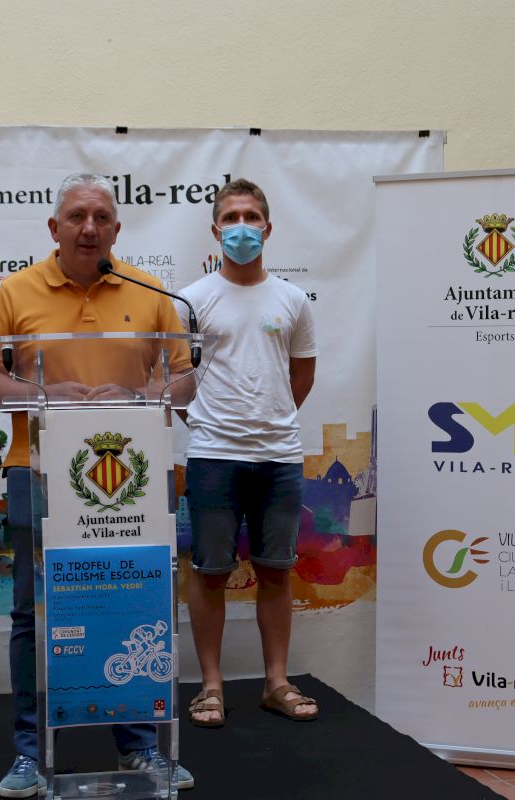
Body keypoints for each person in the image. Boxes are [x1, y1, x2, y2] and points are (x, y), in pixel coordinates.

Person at [0, 174, 196, 797]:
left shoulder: (150, 293)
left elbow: (184, 381)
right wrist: (44, 394)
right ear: (54, 227)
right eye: (76, 216)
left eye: (101, 217)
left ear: (117, 229)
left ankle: (140, 746)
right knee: (32, 615)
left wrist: (138, 395)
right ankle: (28, 752)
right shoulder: (16, 292)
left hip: (134, 480)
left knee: (135, 602)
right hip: (38, 471)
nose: (89, 227)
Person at [179, 178, 319, 729]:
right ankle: (211, 687)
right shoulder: (191, 300)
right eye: (232, 217)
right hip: (212, 456)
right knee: (210, 572)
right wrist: (213, 423)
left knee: (277, 572)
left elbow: (301, 377)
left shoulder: (293, 300)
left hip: (279, 457)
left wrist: (268, 421)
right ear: (215, 230)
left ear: (268, 227)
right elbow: (177, 381)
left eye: (251, 217)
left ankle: (276, 683)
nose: (242, 227)